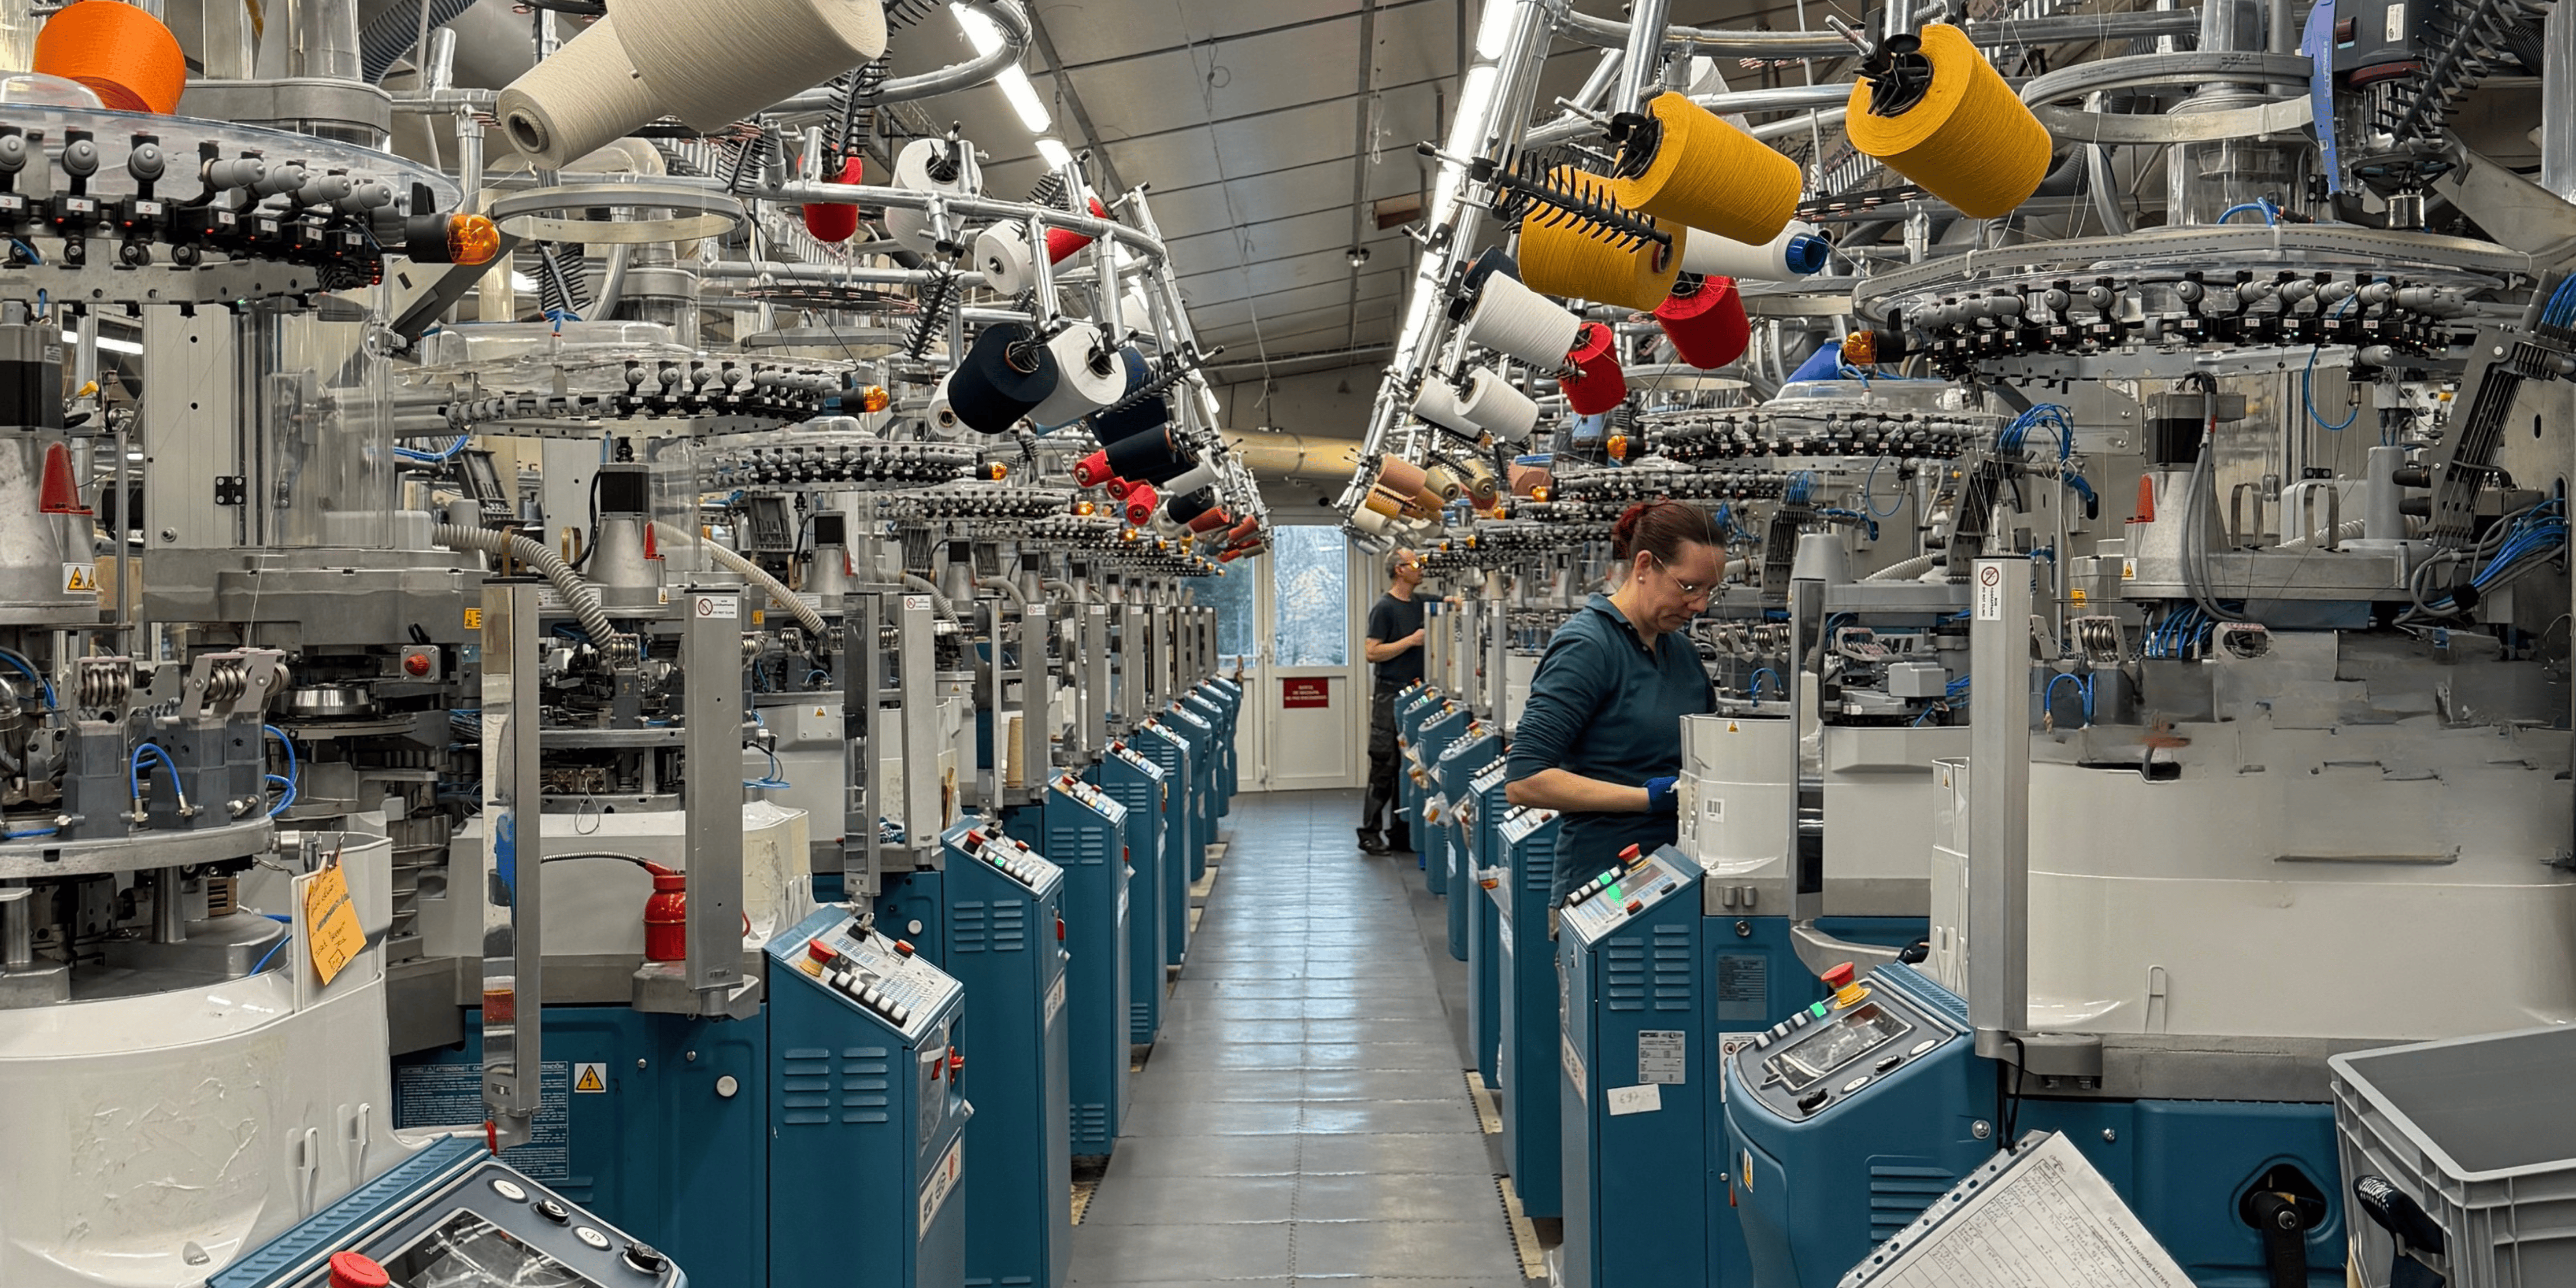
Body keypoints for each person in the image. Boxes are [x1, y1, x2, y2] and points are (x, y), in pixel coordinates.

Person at [1505, 500, 1721, 906]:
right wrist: (1646, 798)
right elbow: (1525, 780)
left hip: (1678, 880)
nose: (1700, 605)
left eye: (1711, 590)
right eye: (1689, 587)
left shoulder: (1684, 653)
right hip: (1606, 886)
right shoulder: (1589, 647)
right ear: (1643, 566)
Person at [1358, 548, 1426, 853]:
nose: (1421, 567)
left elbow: (1455, 604)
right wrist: (1411, 641)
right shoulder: (1384, 608)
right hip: (1391, 693)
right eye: (1415, 563)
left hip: (1418, 694)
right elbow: (1372, 652)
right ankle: (1369, 832)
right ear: (1399, 570)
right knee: (1385, 763)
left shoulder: (1422, 604)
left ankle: (1400, 831)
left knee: (1411, 764)